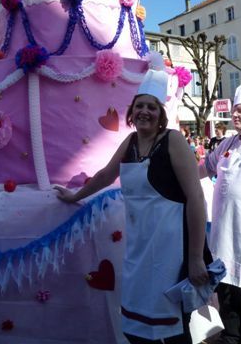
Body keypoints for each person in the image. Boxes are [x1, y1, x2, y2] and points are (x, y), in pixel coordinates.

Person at [56, 69, 210, 344]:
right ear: (132, 111)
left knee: (175, 329)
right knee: (137, 327)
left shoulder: (172, 140)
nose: (145, 111)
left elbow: (195, 198)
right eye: (140, 105)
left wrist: (196, 256)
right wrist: (74, 196)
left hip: (172, 250)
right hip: (140, 249)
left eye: (152, 106)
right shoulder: (130, 143)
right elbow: (105, 175)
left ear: (161, 114)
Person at [200, 79, 241, 344]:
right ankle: (232, 336)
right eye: (234, 109)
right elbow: (204, 168)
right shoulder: (226, 144)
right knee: (226, 287)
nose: (235, 114)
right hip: (225, 232)